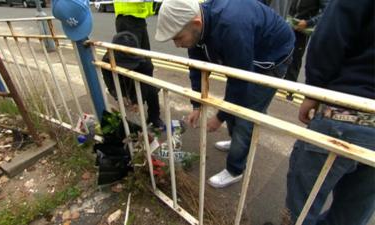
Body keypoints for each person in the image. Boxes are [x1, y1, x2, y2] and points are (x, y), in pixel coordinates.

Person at [155, 0, 294, 188]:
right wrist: (197, 104)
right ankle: (236, 141)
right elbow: (198, 68)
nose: (177, 44)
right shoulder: (198, 28)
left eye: (178, 38)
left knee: (246, 113)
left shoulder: (232, 27)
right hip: (246, 53)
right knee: (234, 103)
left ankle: (235, 169)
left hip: (271, 57)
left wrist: (219, 117)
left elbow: (240, 80)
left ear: (196, 23)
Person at [284, 0, 375, 224]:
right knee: (352, 213)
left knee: (301, 205)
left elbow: (330, 37)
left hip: (346, 111)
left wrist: (314, 91)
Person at [101, 31, 163, 128]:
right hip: (120, 78)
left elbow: (145, 83)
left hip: (138, 76)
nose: (127, 68)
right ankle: (127, 123)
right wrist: (119, 95)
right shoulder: (107, 60)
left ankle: (154, 118)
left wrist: (138, 101)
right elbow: (109, 81)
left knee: (152, 91)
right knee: (124, 97)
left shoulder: (145, 63)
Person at [284, 0, 329, 84]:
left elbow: (326, 12)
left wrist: (308, 23)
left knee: (295, 59)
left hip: (303, 29)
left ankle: (289, 89)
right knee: (282, 54)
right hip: (287, 23)